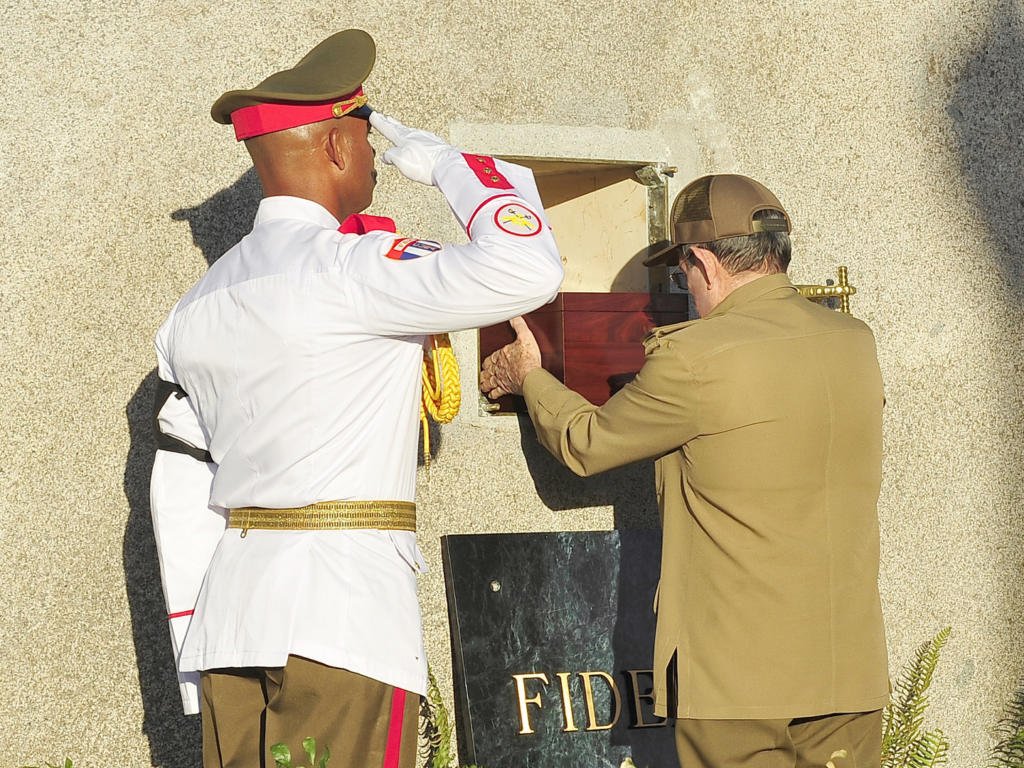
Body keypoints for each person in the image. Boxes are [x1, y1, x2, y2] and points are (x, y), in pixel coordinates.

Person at [150, 28, 563, 768]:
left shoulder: (195, 305)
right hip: (341, 622)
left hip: (232, 620)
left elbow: (182, 475)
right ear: (339, 148)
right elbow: (524, 268)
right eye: (368, 140)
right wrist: (447, 165)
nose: (376, 157)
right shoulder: (357, 270)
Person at [480, 173, 889, 768]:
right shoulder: (853, 340)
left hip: (739, 680)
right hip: (847, 671)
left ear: (701, 260)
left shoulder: (696, 357)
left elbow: (587, 443)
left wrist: (529, 376)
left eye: (682, 274)